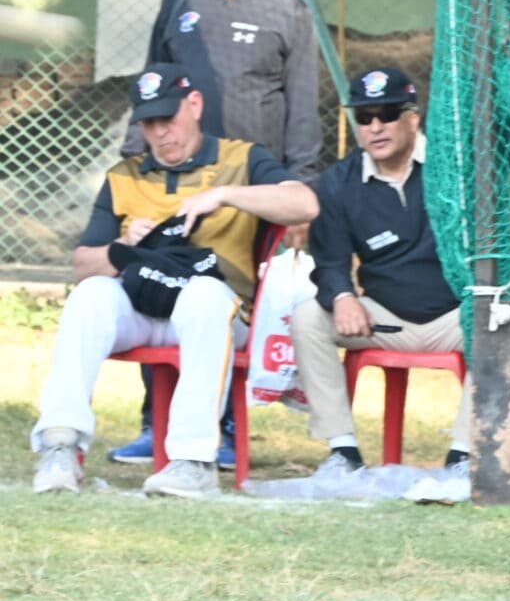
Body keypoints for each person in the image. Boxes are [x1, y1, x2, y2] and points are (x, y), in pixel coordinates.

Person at [30, 67, 319, 498]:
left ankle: (192, 460)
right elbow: (81, 265)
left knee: (202, 296)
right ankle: (60, 446)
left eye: (170, 118)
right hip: (143, 307)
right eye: (150, 124)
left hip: (218, 313)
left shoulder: (241, 159)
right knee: (90, 295)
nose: (162, 133)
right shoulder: (123, 175)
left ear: (195, 106)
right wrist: (121, 246)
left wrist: (224, 195)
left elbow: (304, 203)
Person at [112, 0, 323, 467]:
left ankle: (226, 428)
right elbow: (151, 84)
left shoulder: (288, 11)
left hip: (248, 186)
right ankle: (152, 425)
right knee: (153, 287)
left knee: (229, 303)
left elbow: (303, 104)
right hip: (174, 176)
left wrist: (300, 193)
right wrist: (138, 158)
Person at [293, 67, 470, 476]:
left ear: (413, 117)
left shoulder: (455, 166)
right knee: (307, 317)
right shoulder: (339, 182)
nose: (375, 127)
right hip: (384, 317)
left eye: (387, 113)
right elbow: (330, 261)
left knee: (503, 324)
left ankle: (464, 455)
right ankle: (342, 451)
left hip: (456, 315)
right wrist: (343, 297)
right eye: (363, 117)